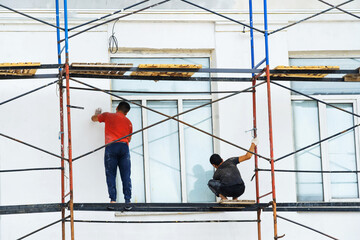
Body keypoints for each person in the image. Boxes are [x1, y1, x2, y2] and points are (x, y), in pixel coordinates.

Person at [91, 101, 133, 206]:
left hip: (112, 146)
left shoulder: (108, 116)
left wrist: (97, 115)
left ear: (117, 107)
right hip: (124, 148)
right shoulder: (129, 122)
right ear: (126, 112)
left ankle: (113, 200)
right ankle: (127, 200)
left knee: (111, 174)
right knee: (126, 175)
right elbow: (129, 139)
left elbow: (93, 119)